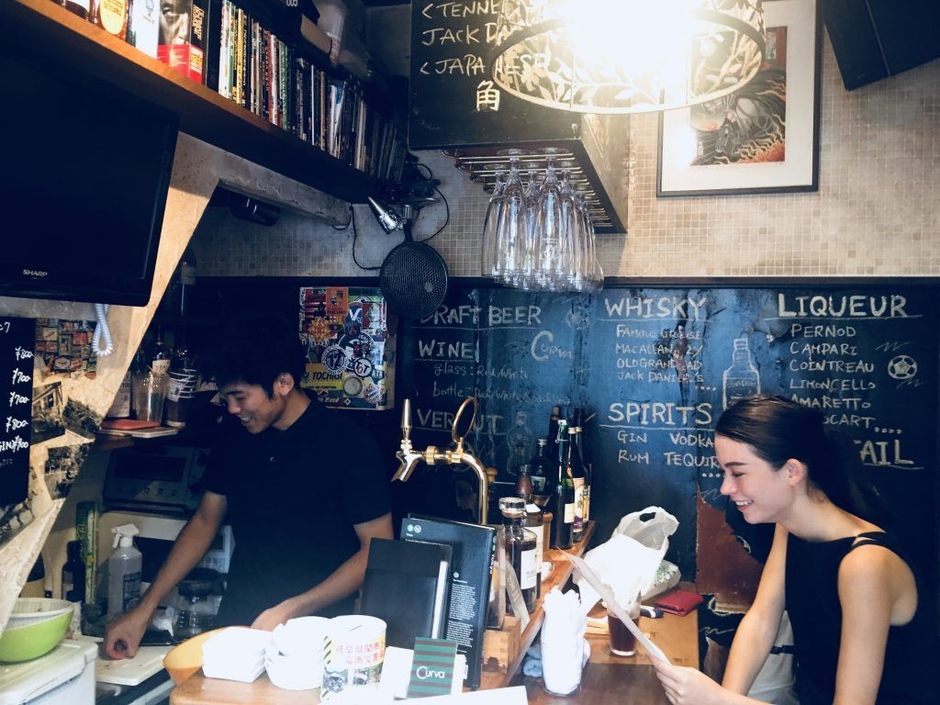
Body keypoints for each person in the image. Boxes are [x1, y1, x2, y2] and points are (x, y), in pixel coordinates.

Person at [104, 315, 394, 658]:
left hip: (319, 636)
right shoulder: (234, 436)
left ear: (283, 382)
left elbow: (375, 550)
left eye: (240, 397)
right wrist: (143, 610)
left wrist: (293, 609)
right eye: (226, 397)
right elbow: (205, 521)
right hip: (240, 623)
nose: (232, 409)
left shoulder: (347, 444)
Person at [653, 394, 937, 705]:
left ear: (792, 471)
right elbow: (762, 620)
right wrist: (726, 697)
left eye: (738, 473)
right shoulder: (789, 527)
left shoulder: (865, 563)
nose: (725, 488)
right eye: (724, 473)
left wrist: (719, 700)